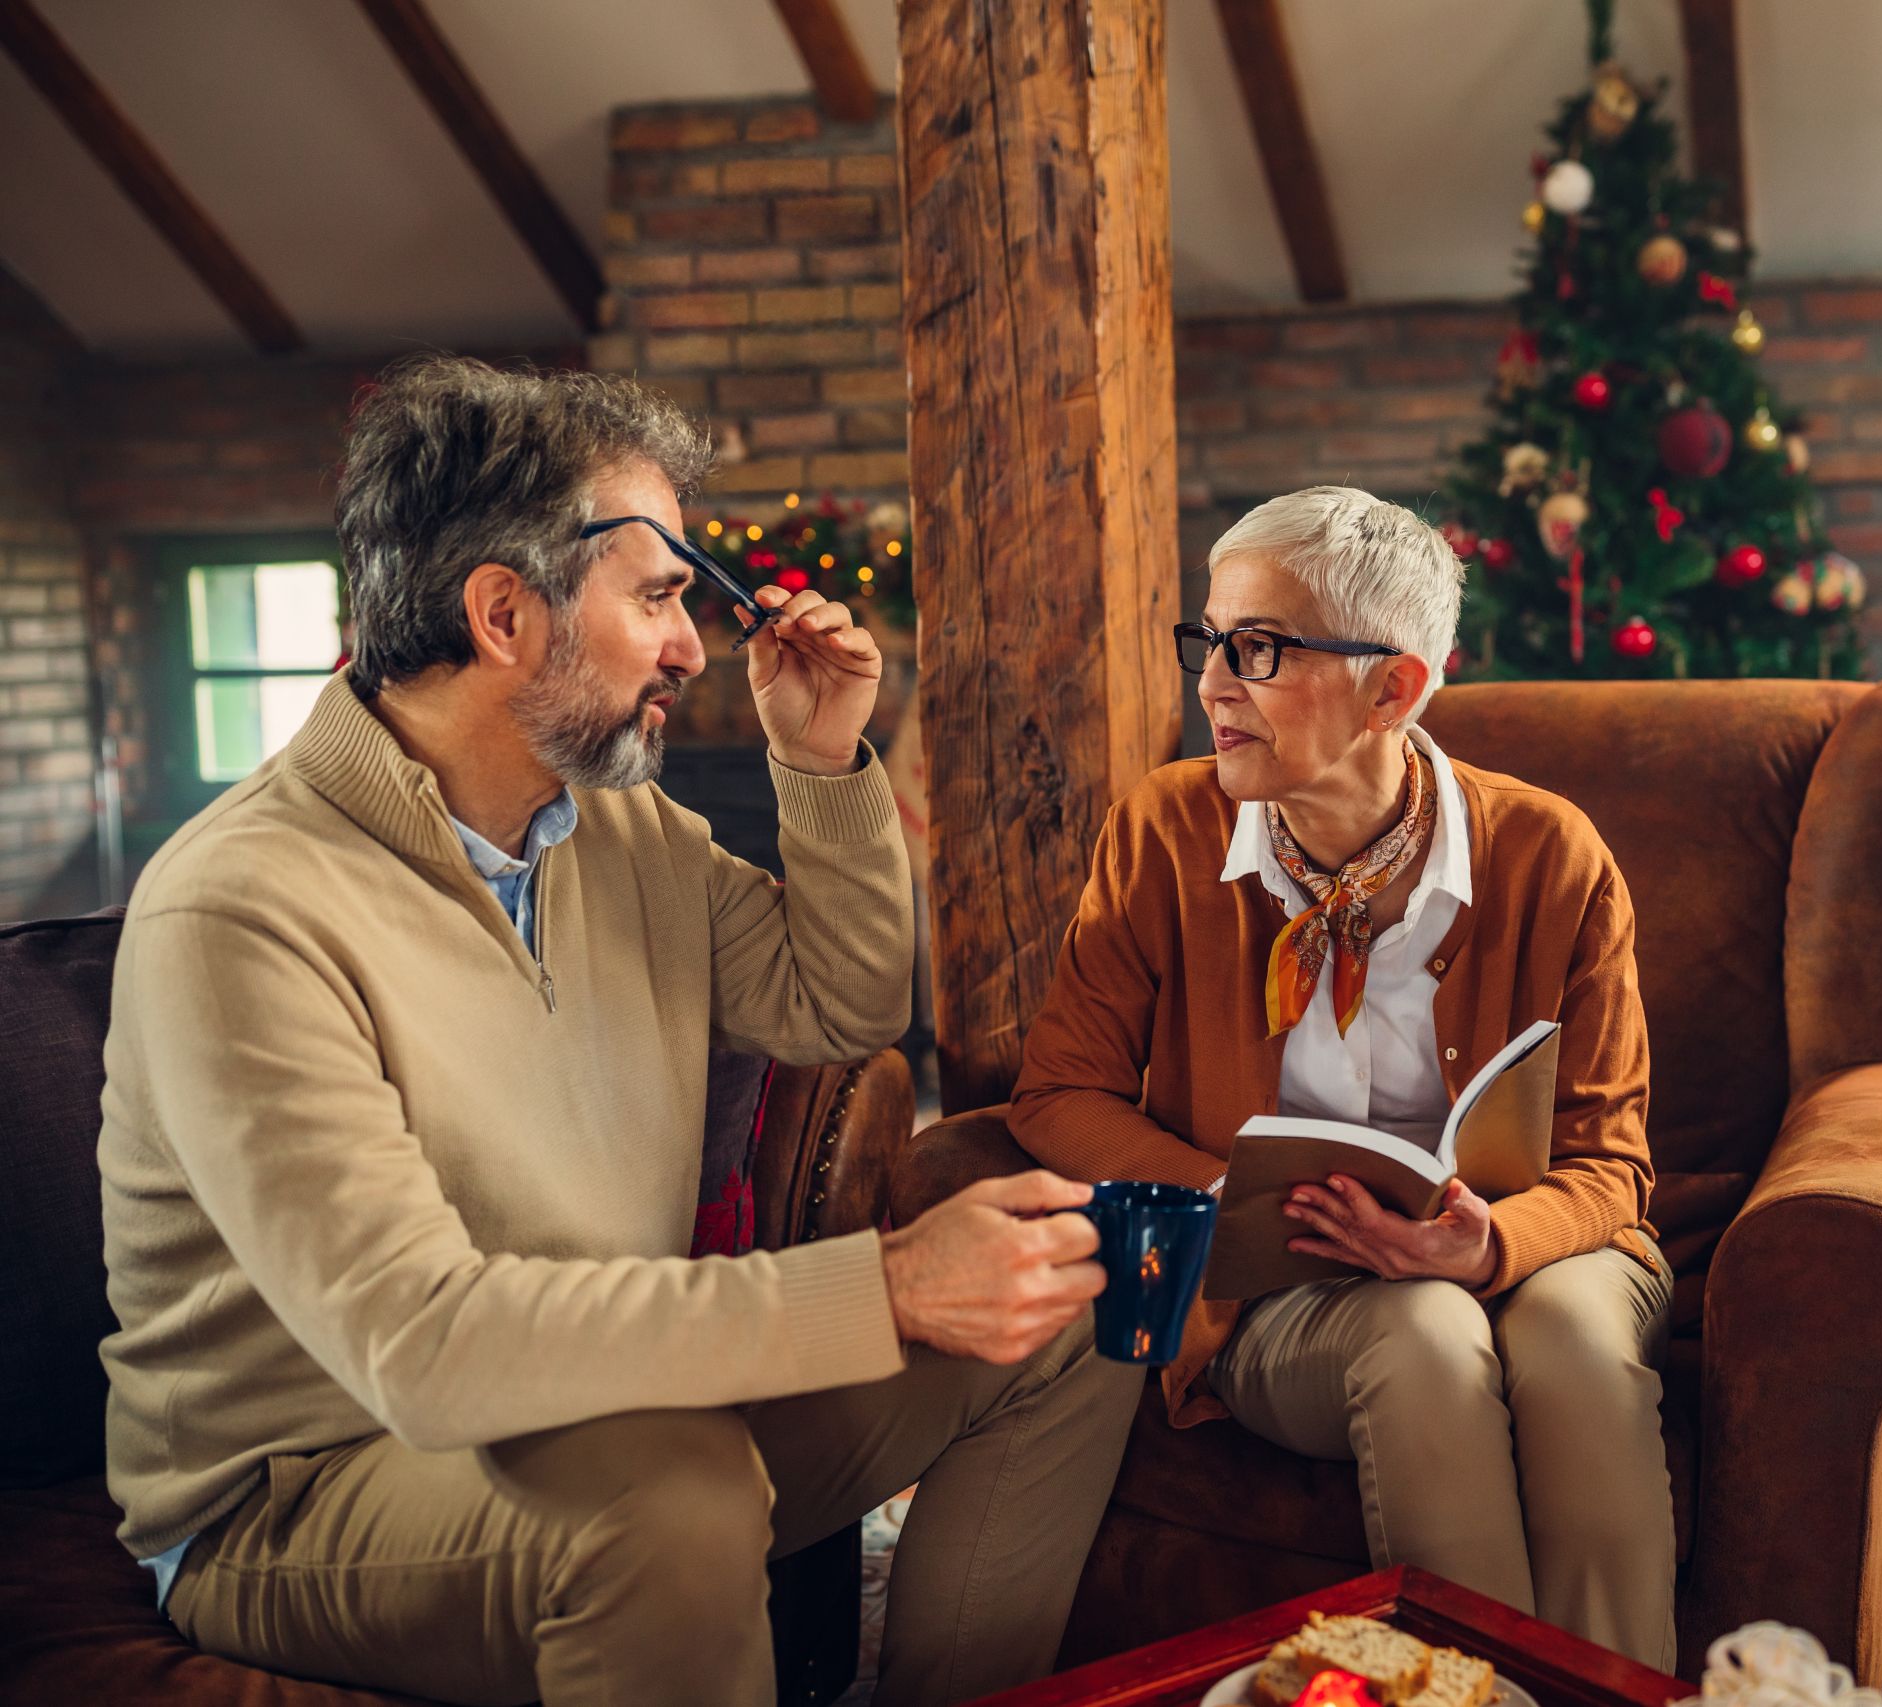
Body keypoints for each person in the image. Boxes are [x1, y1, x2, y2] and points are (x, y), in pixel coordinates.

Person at [96, 355, 1140, 1707]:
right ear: (504, 614)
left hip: (623, 1387)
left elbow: (839, 1002)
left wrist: (821, 764)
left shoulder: (614, 824)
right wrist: (880, 1283)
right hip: (309, 1484)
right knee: (673, 1499)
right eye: (657, 596)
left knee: (1061, 1307)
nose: (693, 644)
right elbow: (426, 1347)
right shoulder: (238, 907)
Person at [1008, 486, 1676, 1667]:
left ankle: (1618, 1692)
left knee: (1573, 1347)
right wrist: (1240, 1197)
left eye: (1257, 650)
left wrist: (1490, 1248)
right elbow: (1056, 1094)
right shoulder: (1163, 832)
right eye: (1208, 642)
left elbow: (1611, 1166)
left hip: (1540, 1245)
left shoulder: (1551, 855)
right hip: (1282, 1294)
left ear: (1395, 689)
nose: (1211, 684)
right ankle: (1471, 1698)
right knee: (1417, 1332)